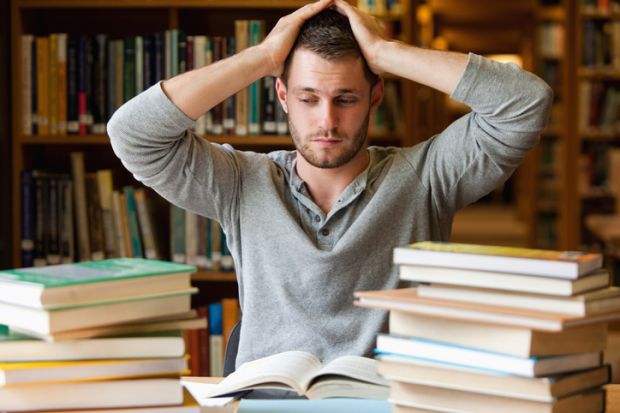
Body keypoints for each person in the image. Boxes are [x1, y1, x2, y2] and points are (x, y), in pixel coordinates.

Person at [108, 0, 552, 371]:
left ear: (374, 97)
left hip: (384, 403)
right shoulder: (241, 182)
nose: (326, 121)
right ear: (282, 96)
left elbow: (524, 104)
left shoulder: (426, 177)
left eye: (346, 99)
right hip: (269, 401)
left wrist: (384, 53)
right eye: (307, 98)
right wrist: (262, 58)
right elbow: (133, 134)